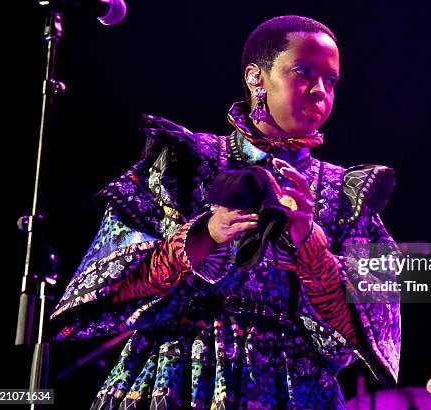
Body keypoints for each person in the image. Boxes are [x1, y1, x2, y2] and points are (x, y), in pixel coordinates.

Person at [49, 15, 401, 409]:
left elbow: (377, 315)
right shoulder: (187, 161)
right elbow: (107, 276)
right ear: (256, 78)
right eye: (304, 72)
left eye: (331, 80)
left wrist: (310, 247)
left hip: (296, 388)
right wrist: (206, 236)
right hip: (179, 373)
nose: (320, 91)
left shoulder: (343, 193)